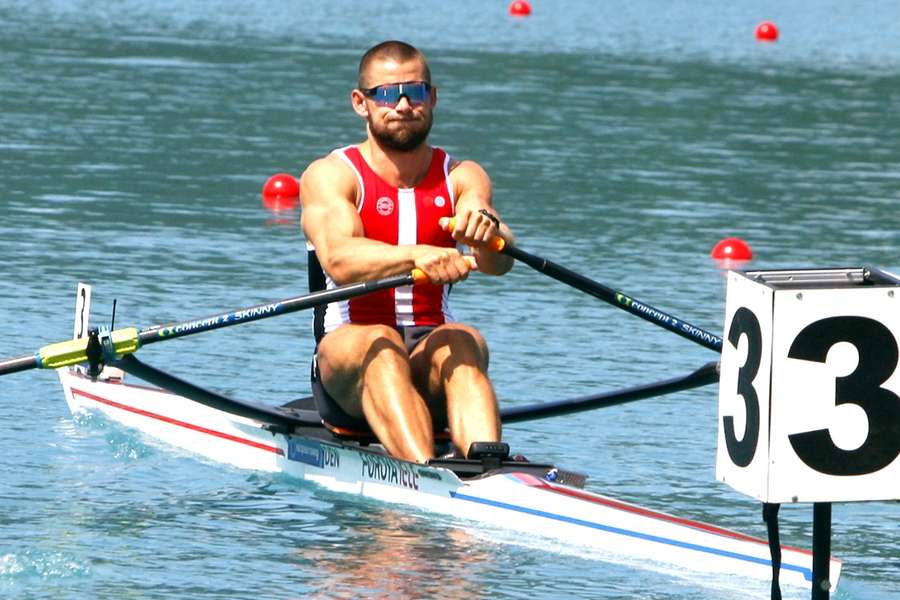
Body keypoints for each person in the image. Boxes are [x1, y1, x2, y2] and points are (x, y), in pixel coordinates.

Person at [299, 40, 514, 464]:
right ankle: (425, 475)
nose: (401, 104)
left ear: (432, 98)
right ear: (361, 103)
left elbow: (498, 261)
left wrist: (489, 233)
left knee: (464, 338)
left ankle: (486, 471)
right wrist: (418, 255)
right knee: (379, 342)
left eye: (414, 92)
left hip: (427, 351)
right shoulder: (332, 175)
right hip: (348, 357)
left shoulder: (461, 175)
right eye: (384, 93)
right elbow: (340, 260)